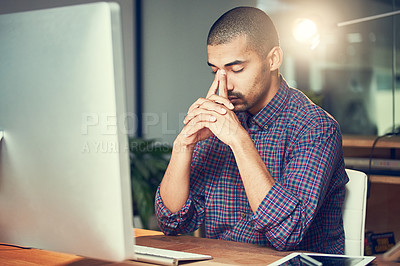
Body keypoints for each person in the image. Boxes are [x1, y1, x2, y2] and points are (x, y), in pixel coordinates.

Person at [155, 6, 348, 254]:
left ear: (273, 59)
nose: (225, 83)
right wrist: (184, 145)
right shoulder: (220, 120)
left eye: (237, 69)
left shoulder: (315, 128)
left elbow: (287, 233)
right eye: (216, 71)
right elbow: (173, 223)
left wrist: (238, 139)